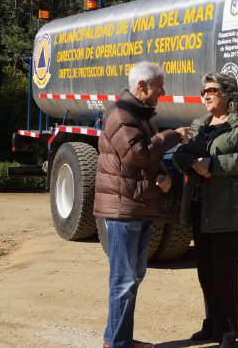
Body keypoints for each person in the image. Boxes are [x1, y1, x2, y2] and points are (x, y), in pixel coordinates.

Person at [94, 61, 190, 348]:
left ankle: (118, 338)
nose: (163, 91)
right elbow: (137, 155)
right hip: (124, 209)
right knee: (123, 281)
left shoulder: (141, 116)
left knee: (133, 277)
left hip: (138, 205)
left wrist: (162, 174)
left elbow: (147, 159)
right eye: (159, 86)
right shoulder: (120, 115)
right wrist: (174, 134)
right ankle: (117, 343)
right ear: (141, 86)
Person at [173, 72, 238, 348]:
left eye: (212, 90)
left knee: (224, 272)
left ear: (228, 93)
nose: (206, 96)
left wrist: (212, 165)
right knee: (205, 271)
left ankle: (227, 331)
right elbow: (179, 154)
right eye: (204, 92)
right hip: (201, 207)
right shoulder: (200, 124)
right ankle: (210, 324)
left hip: (228, 209)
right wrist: (193, 163)